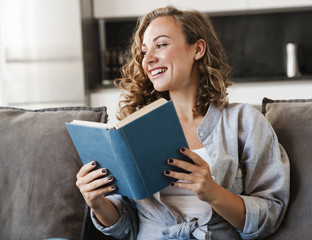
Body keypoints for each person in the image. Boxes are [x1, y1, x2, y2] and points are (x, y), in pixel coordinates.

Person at [76, 6, 289, 240]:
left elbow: (270, 214)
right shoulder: (135, 130)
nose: (148, 59)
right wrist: (96, 202)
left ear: (197, 49)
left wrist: (213, 193)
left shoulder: (244, 122)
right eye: (144, 51)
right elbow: (125, 226)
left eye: (161, 45)